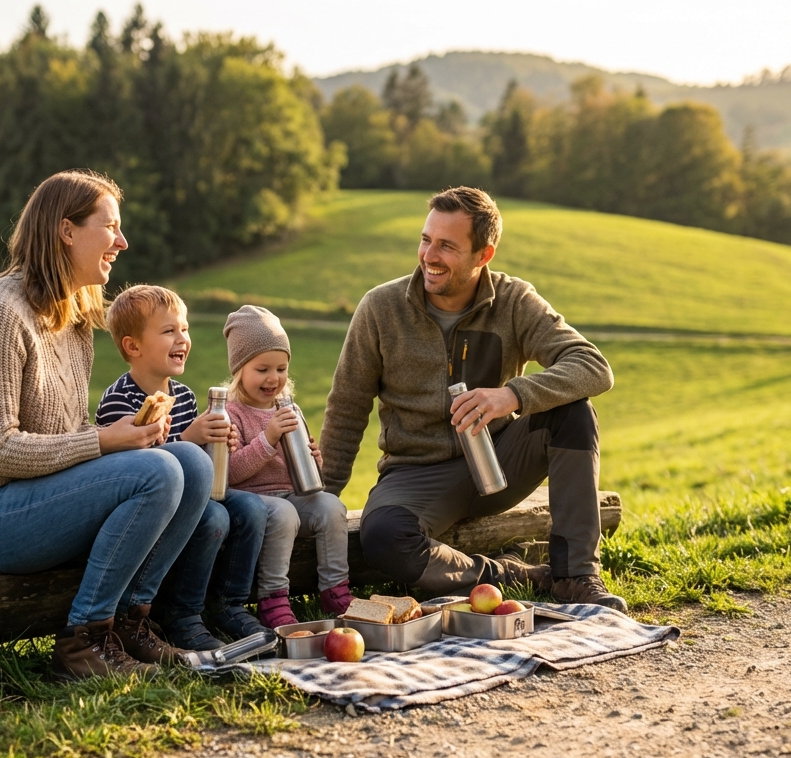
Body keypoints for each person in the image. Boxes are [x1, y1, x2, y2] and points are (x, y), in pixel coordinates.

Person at [0, 170, 215, 680]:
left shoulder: (74, 318)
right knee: (160, 472)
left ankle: (129, 625)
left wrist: (126, 437)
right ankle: (83, 643)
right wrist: (107, 441)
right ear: (67, 231)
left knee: (189, 461)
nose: (122, 242)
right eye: (111, 227)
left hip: (39, 500)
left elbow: (68, 431)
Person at [319, 186, 627, 611]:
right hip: (415, 474)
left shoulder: (515, 300)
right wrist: (321, 497)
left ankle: (575, 575)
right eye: (426, 240)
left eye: (447, 246)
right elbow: (347, 407)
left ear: (483, 255)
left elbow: (593, 366)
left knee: (574, 411)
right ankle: (511, 574)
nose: (429, 255)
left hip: (499, 463)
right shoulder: (381, 308)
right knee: (384, 537)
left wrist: (512, 395)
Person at [95, 285, 271, 649]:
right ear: (133, 347)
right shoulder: (120, 400)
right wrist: (189, 438)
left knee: (252, 508)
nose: (182, 338)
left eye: (185, 329)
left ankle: (228, 604)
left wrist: (219, 444)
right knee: (214, 519)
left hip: (191, 498)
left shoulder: (185, 396)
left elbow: (200, 470)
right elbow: (131, 471)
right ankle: (181, 613)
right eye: (168, 331)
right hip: (149, 510)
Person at [223, 305, 354, 628]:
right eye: (262, 369)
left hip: (292, 495)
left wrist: (315, 461)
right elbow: (232, 472)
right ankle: (273, 598)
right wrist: (267, 438)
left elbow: (303, 473)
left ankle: (335, 589)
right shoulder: (232, 414)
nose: (274, 378)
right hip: (253, 501)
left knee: (331, 506)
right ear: (240, 370)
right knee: (284, 514)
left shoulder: (290, 409)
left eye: (281, 369)